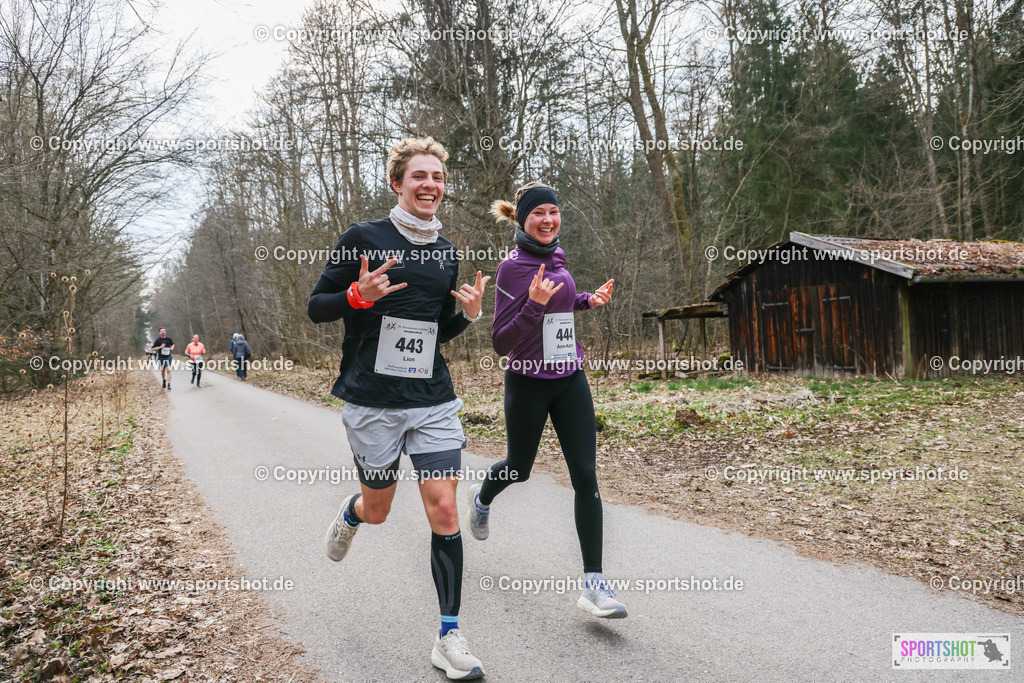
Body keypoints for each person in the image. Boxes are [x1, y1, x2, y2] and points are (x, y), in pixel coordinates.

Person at [307, 137, 490, 680]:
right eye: (418, 176)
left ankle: (449, 636)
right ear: (397, 183)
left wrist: (470, 316)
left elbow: (437, 330)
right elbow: (316, 308)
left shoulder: (445, 252)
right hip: (373, 403)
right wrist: (356, 298)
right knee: (380, 510)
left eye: (437, 176)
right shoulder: (363, 238)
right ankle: (353, 512)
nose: (430, 184)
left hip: (432, 398)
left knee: (445, 508)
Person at [465, 182, 625, 619]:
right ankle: (482, 500)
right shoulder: (511, 268)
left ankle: (594, 583)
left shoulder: (557, 255)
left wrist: (588, 300)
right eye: (539, 213)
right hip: (528, 382)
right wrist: (534, 306)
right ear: (521, 219)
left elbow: (562, 302)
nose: (548, 220)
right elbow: (501, 341)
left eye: (553, 212)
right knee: (519, 468)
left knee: (586, 475)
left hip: (569, 376)